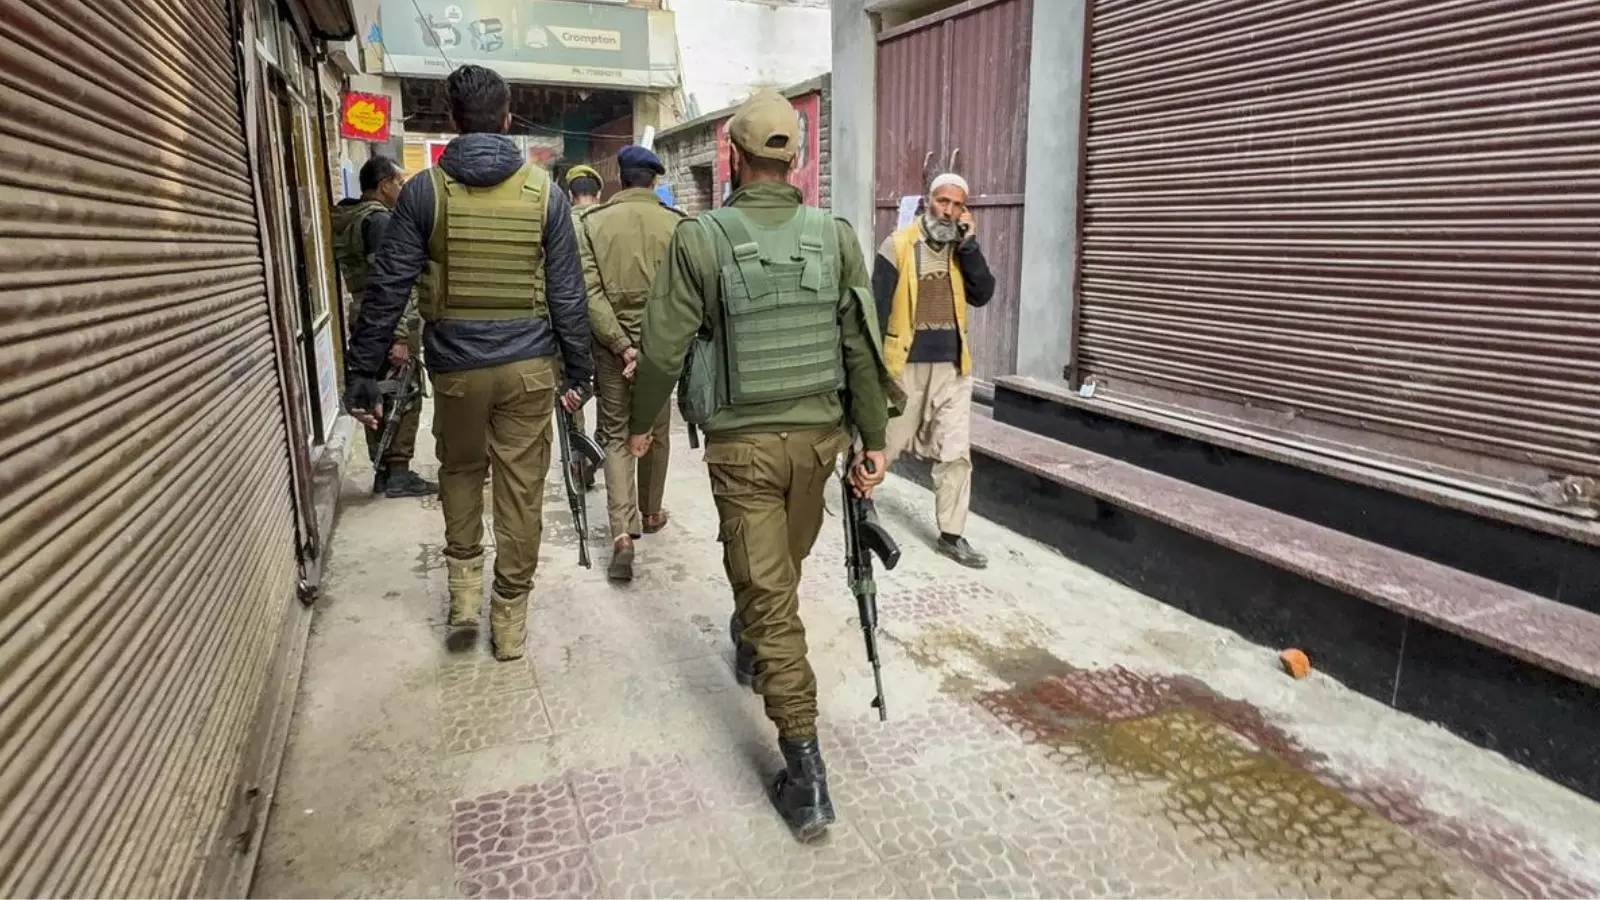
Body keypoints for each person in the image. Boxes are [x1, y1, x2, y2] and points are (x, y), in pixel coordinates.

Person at [626, 89, 891, 842]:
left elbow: (663, 346)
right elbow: (862, 347)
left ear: (733, 157)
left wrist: (640, 425)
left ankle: (806, 780)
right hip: (818, 446)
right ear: (796, 160)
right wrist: (873, 439)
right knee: (777, 581)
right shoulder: (836, 237)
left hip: (743, 450)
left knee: (772, 592)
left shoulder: (701, 239)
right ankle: (764, 658)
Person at [344, 65, 593, 662]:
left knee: (459, 472)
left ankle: (463, 597)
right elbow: (568, 294)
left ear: (454, 119)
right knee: (522, 488)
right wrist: (580, 370)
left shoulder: (424, 192)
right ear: (506, 119)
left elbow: (388, 287)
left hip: (455, 368)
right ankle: (509, 621)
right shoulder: (546, 194)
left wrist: (363, 372)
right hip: (529, 368)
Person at [871, 172, 996, 569]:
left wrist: (969, 246)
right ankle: (861, 498)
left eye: (958, 205)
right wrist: (872, 370)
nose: (949, 210)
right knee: (884, 442)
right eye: (943, 201)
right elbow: (875, 310)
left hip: (952, 369)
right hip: (904, 366)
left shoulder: (962, 249)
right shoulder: (897, 245)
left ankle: (951, 535)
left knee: (956, 453)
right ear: (929, 202)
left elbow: (983, 293)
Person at [576, 146, 684, 582]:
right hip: (661, 348)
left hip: (610, 349)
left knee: (617, 434)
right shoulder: (678, 224)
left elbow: (588, 293)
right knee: (656, 428)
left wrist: (622, 345)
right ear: (654, 181)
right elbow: (684, 296)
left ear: (619, 179)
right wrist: (652, 346)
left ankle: (622, 533)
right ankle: (651, 511)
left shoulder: (591, 224)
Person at [330, 156, 438, 498]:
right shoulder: (379, 222)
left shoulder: (350, 218)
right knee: (403, 392)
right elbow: (391, 283)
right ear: (383, 185)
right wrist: (401, 335)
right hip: (388, 319)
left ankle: (383, 469)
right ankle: (398, 472)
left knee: (378, 391)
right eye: (399, 182)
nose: (402, 188)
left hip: (364, 316)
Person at [558, 164, 605, 489]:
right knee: (609, 395)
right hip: (607, 323)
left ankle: (578, 463)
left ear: (569, 194)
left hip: (570, 323)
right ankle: (600, 447)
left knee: (573, 391)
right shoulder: (609, 222)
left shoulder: (558, 223)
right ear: (598, 194)